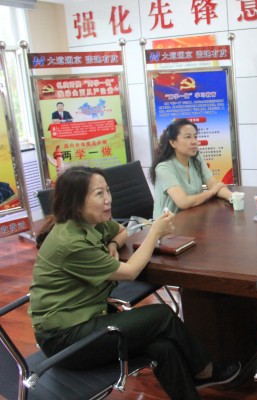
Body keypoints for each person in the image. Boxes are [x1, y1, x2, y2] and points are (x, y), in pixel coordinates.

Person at [28, 167, 241, 400]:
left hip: (89, 318)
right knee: (161, 316)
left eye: (107, 191)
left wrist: (112, 244)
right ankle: (205, 371)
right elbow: (130, 272)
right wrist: (154, 232)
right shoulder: (70, 243)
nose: (108, 199)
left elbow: (121, 230)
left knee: (162, 347)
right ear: (77, 202)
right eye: (99, 193)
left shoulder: (91, 222)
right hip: (65, 340)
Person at [151, 119, 233, 218]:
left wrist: (232, 196)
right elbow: (183, 202)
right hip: (168, 223)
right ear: (173, 143)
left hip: (192, 217)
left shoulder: (196, 158)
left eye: (195, 137)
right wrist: (211, 192)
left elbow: (213, 184)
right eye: (188, 137)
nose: (194, 142)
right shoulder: (163, 168)